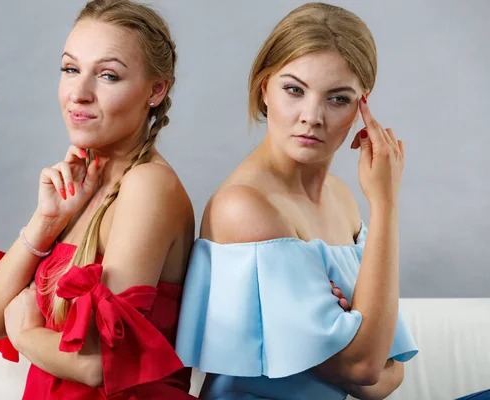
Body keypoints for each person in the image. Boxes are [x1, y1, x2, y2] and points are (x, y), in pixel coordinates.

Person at [175, 3, 419, 399]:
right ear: (264, 89)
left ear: (362, 107)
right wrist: (386, 204)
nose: (312, 116)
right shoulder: (244, 207)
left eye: (337, 99)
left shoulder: (341, 199)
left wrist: (365, 351)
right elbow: (367, 366)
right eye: (294, 89)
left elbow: (384, 380)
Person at [0, 0, 197, 398]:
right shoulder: (84, 180)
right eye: (71, 69)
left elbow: (99, 366)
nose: (79, 93)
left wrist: (24, 332)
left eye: (107, 76)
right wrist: (46, 222)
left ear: (156, 90)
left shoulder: (148, 187)